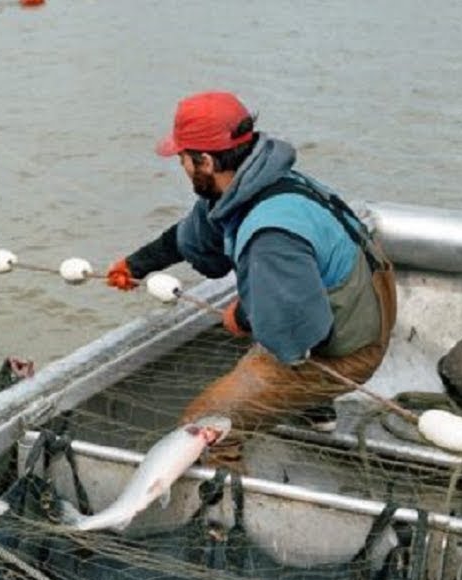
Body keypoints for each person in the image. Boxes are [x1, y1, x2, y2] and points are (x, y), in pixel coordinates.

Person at [106, 90, 397, 467]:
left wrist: (243, 316)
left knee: (201, 430)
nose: (181, 166)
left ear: (205, 161)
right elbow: (195, 234)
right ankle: (312, 406)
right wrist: (136, 265)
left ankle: (225, 501)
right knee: (272, 303)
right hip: (359, 304)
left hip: (348, 347)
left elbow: (296, 328)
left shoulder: (270, 234)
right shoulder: (258, 182)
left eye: (183, 158)